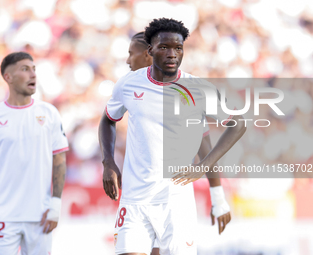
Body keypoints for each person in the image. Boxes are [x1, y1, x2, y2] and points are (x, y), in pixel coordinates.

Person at [99, 18, 246, 255]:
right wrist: (108, 162)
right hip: (135, 200)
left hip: (176, 203)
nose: (172, 54)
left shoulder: (197, 89)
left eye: (178, 48)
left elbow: (237, 124)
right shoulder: (128, 84)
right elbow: (108, 119)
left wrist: (205, 171)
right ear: (151, 50)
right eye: (164, 47)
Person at [126, 32, 232, 255]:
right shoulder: (130, 88)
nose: (127, 60)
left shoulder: (186, 92)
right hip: (139, 198)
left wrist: (218, 198)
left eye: (130, 54)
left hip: (173, 200)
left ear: (148, 54)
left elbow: (204, 144)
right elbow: (108, 120)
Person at [0, 52, 69, 255]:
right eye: (25, 69)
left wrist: (56, 204)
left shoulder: (49, 113)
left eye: (34, 69)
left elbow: (59, 159)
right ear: (8, 77)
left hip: (40, 215)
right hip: (3, 215)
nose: (33, 75)